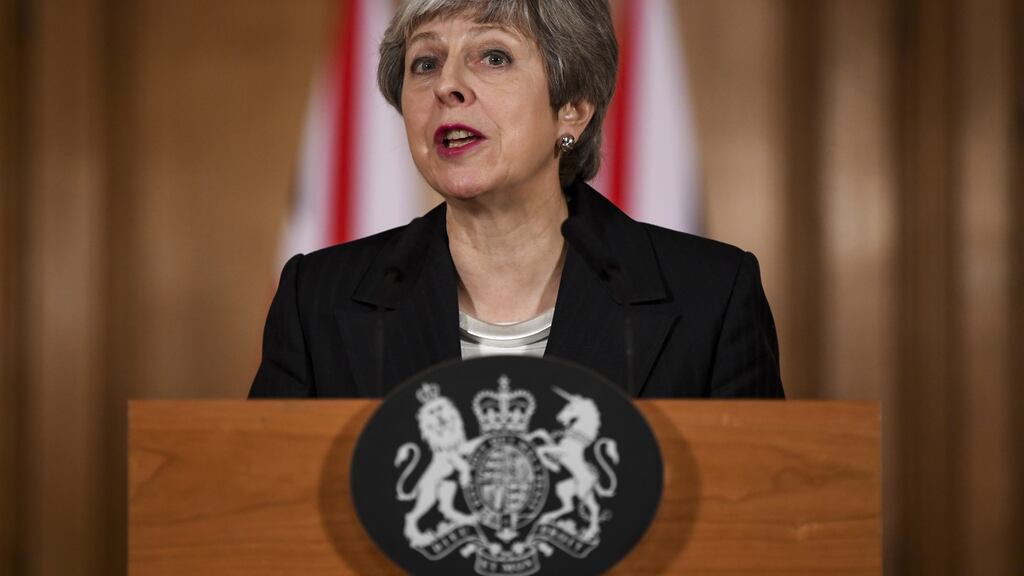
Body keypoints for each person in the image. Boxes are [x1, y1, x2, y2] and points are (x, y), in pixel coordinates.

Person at [250, 0, 783, 399]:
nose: (447, 86)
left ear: (572, 107)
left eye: (494, 56)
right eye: (425, 63)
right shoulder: (316, 299)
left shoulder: (711, 297)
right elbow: (264, 516)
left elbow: (760, 524)